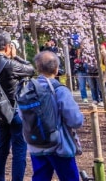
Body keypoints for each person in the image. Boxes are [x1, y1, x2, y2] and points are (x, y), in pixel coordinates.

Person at [25, 51, 84, 181]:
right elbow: (75, 120)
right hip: (59, 145)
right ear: (56, 69)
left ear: (38, 68)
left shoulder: (28, 89)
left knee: (40, 177)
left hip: (36, 143)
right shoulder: (60, 90)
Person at [0, 31, 35, 181]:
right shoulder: (11, 64)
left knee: (1, 148)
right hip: (14, 111)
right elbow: (31, 69)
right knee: (19, 149)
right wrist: (15, 56)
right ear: (7, 47)